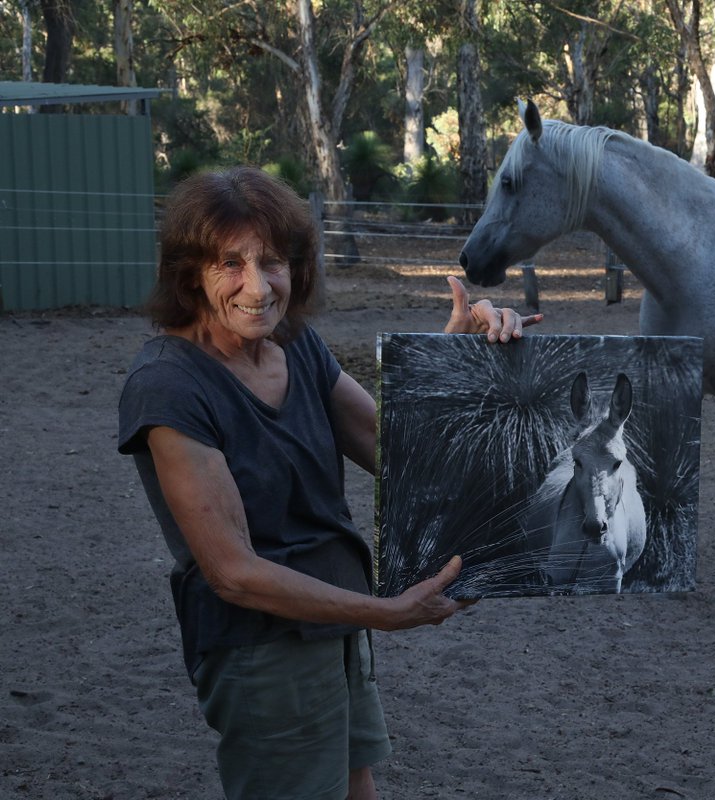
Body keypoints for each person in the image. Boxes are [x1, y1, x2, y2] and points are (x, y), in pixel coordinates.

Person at [117, 166, 541, 800]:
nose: (257, 286)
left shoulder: (297, 346)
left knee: (355, 784)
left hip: (336, 618)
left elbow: (404, 455)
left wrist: (456, 358)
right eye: (230, 263)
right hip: (262, 646)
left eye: (273, 262)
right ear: (189, 274)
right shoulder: (169, 385)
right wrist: (389, 613)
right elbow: (233, 573)